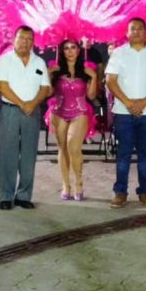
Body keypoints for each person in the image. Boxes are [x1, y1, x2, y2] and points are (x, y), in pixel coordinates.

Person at [106, 18, 146, 210]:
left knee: (145, 155)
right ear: (127, 32)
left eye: (140, 28)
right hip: (123, 112)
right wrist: (129, 103)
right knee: (123, 154)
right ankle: (120, 192)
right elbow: (111, 81)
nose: (137, 32)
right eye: (133, 29)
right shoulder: (118, 54)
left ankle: (145, 193)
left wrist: (144, 102)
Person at [0, 26, 52, 210]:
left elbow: (45, 88)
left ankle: (24, 195)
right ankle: (6, 195)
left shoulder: (39, 62)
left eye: (29, 39)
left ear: (33, 42)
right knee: (7, 153)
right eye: (21, 38)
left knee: (29, 154)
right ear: (14, 40)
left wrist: (33, 104)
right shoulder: (5, 60)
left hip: (32, 112)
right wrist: (21, 103)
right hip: (10, 110)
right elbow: (2, 86)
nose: (25, 42)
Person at [49, 39, 97, 201]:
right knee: (62, 148)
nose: (70, 51)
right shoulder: (55, 70)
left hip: (80, 112)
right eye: (66, 48)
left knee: (73, 147)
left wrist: (94, 77)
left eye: (73, 47)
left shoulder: (86, 71)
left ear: (78, 50)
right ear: (62, 51)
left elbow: (91, 96)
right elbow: (48, 92)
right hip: (58, 112)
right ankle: (65, 185)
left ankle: (78, 182)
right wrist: (49, 74)